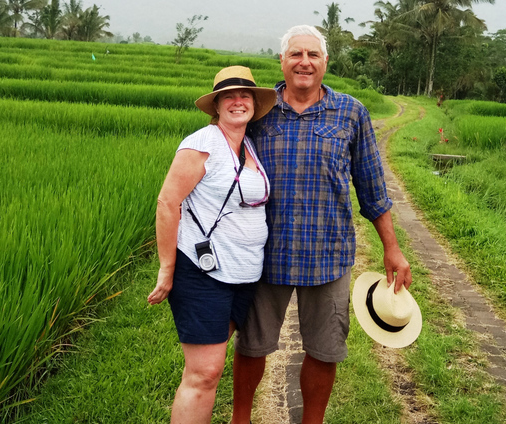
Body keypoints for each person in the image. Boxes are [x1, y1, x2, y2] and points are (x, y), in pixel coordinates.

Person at [232, 25, 413, 424]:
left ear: (325, 63)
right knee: (252, 345)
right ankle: (240, 419)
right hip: (265, 252)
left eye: (313, 55)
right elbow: (222, 171)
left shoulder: (350, 112)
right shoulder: (259, 111)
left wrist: (392, 248)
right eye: (296, 54)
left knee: (324, 348)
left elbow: (372, 188)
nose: (304, 62)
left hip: (327, 254)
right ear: (281, 61)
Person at [147, 65, 276, 424]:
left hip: (242, 274)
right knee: (203, 373)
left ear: (254, 103)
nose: (238, 101)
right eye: (229, 96)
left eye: (245, 95)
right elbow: (167, 203)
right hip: (203, 273)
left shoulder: (248, 144)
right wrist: (167, 269)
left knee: (210, 368)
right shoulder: (201, 144)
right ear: (216, 106)